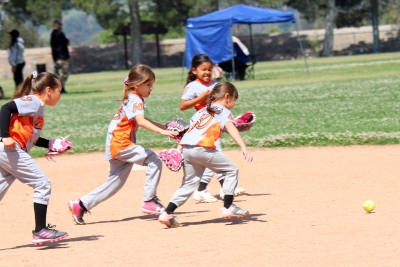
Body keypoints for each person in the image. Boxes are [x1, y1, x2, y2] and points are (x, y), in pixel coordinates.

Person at [68, 64, 178, 225]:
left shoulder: (134, 97)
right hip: (121, 144)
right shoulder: (135, 99)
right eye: (148, 84)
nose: (151, 88)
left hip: (117, 144)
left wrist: (165, 127)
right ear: (136, 85)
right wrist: (163, 132)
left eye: (152, 84)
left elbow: (141, 120)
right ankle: (149, 200)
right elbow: (141, 121)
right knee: (153, 159)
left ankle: (81, 205)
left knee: (115, 184)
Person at [159, 82, 253, 228]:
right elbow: (230, 126)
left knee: (188, 184)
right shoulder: (224, 111)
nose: (233, 103)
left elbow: (189, 131)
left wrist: (178, 150)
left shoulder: (200, 112)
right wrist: (243, 146)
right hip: (203, 149)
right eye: (234, 99)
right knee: (231, 170)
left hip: (188, 150)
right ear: (227, 97)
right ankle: (229, 207)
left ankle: (167, 213)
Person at [0, 71, 68, 245]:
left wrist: (51, 144)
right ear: (49, 90)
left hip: (10, 151)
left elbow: (30, 137)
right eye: (59, 90)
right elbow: (5, 108)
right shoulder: (33, 101)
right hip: (9, 149)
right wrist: (4, 136)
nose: (60, 94)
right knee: (42, 183)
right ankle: (40, 230)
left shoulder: (38, 107)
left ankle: (41, 230)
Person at [180, 54, 245, 203]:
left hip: (215, 127)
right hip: (203, 130)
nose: (207, 73)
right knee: (215, 157)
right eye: (203, 69)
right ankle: (214, 189)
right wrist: (202, 96)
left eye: (209, 69)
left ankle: (204, 189)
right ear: (194, 70)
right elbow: (183, 105)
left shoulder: (215, 84)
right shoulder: (193, 86)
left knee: (213, 159)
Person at [50, 19, 70, 94]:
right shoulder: (60, 34)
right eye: (60, 25)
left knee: (57, 74)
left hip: (56, 58)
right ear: (56, 25)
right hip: (63, 57)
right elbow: (67, 42)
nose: (61, 26)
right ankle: (61, 88)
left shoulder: (52, 34)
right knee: (63, 74)